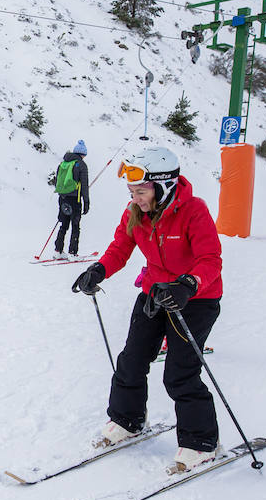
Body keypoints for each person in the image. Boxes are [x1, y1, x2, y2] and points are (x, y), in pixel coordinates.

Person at [71, 145, 224, 474]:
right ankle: (127, 421)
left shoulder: (194, 211)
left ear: (163, 185)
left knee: (180, 374)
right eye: (132, 191)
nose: (136, 198)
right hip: (154, 293)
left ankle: (201, 444)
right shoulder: (134, 213)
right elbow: (120, 248)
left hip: (195, 299)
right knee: (132, 360)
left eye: (141, 191)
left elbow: (210, 259)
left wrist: (188, 284)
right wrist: (98, 270)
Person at [50, 139, 90, 257]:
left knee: (63, 224)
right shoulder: (81, 165)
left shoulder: (63, 163)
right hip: (75, 200)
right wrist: (86, 202)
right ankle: (73, 253)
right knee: (75, 225)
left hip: (62, 198)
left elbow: (57, 181)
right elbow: (84, 185)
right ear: (83, 154)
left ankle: (58, 251)